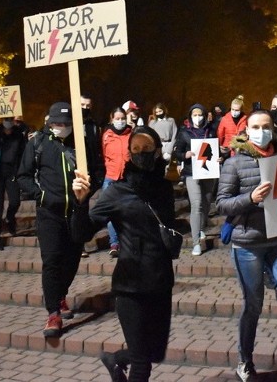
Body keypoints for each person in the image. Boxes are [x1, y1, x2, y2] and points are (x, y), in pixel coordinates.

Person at [217, 110, 277, 382]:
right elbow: (222, 203)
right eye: (255, 126)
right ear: (246, 131)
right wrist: (250, 198)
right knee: (253, 305)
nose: (261, 131)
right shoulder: (234, 164)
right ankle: (245, 361)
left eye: (266, 126)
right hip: (248, 243)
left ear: (273, 129)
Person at [78, 126, 176, 382]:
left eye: (147, 149)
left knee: (154, 353)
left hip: (161, 281)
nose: (142, 154)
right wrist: (80, 203)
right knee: (142, 363)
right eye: (136, 149)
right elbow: (84, 232)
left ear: (157, 152)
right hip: (131, 285)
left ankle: (115, 360)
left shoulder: (165, 189)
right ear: (129, 155)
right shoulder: (117, 191)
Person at [15, 101, 92, 338]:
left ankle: (60, 294)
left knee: (71, 260)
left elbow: (97, 170)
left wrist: (88, 187)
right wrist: (41, 195)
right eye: (56, 123)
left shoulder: (81, 143)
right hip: (49, 212)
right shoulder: (38, 142)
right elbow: (23, 176)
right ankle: (53, 313)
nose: (61, 127)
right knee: (52, 260)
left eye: (66, 124)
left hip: (77, 210)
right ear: (49, 122)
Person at [174, 103, 217, 256]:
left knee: (206, 203)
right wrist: (183, 156)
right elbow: (177, 151)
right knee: (196, 204)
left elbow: (217, 148)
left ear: (205, 116)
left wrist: (220, 157)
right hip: (191, 172)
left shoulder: (211, 130)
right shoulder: (184, 132)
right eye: (195, 115)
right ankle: (196, 242)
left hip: (208, 172)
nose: (197, 118)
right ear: (190, 116)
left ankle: (200, 227)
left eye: (200, 115)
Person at [0, 116, 26, 250]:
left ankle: (9, 218)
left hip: (12, 172)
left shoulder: (19, 133)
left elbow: (23, 150)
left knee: (15, 201)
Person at [102, 107, 133, 257]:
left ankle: (127, 241)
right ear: (112, 119)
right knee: (111, 211)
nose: (120, 121)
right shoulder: (106, 135)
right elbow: (102, 154)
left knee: (128, 211)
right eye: (117, 118)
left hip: (127, 178)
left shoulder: (131, 134)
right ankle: (114, 243)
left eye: (122, 118)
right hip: (111, 177)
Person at [80, 94, 106, 257]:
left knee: (83, 207)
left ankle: (81, 241)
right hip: (73, 170)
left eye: (88, 105)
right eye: (82, 105)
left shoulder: (93, 125)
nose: (85, 108)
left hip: (90, 171)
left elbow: (96, 148)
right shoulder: (69, 123)